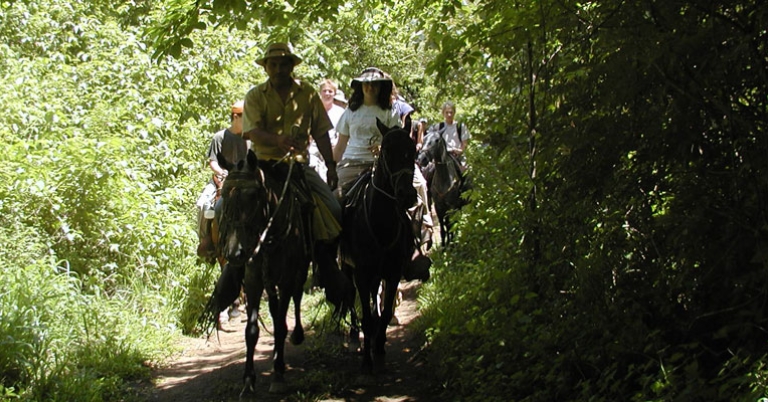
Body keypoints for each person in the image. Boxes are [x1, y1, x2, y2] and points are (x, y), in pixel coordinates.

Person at [241, 42, 342, 290]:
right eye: (272, 64)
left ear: (291, 66)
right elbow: (251, 131)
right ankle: (233, 263)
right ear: (266, 67)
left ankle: (326, 266)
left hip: (297, 166)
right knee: (229, 205)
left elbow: (320, 132)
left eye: (283, 64)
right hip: (263, 165)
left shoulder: (307, 94)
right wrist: (276, 140)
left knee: (332, 208)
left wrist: (330, 165)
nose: (278, 69)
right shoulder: (255, 95)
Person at [332, 67, 401, 196]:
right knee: (335, 201)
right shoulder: (349, 112)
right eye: (366, 83)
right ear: (360, 86)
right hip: (352, 163)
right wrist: (331, 168)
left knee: (418, 186)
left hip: (383, 165)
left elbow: (397, 142)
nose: (370, 87)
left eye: (374, 83)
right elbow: (340, 146)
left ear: (381, 86)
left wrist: (383, 148)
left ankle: (424, 216)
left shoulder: (390, 113)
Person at [195, 100, 249, 260]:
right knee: (204, 204)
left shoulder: (250, 138)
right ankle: (208, 242)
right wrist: (222, 172)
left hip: (245, 180)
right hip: (222, 179)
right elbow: (213, 161)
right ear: (235, 116)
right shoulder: (219, 137)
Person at [309, 79, 346, 182]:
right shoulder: (313, 110)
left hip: (334, 148)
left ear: (334, 93)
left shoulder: (340, 112)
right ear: (320, 92)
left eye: (330, 91)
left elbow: (342, 134)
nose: (327, 93)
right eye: (324, 91)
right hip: (314, 149)